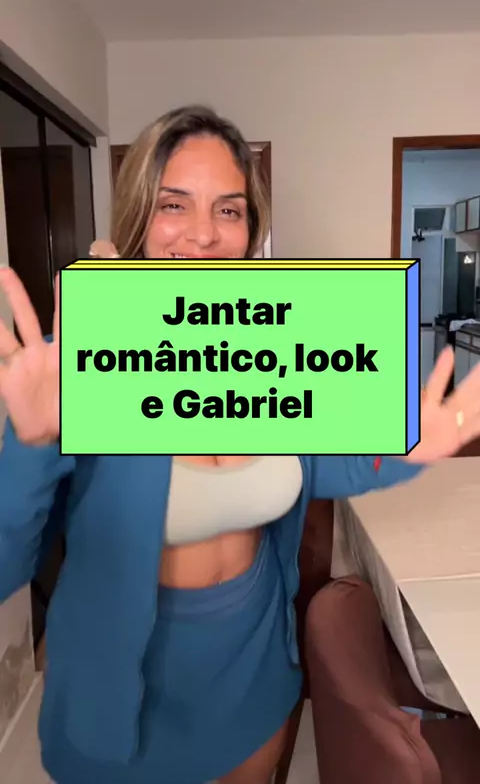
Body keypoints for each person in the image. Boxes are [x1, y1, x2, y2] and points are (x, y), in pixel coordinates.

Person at [0, 105, 479, 784]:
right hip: (124, 702)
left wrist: (413, 448)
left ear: (251, 229)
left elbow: (319, 466)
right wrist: (32, 446)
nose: (203, 234)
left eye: (229, 210)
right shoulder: (75, 361)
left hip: (255, 678)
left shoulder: (266, 349)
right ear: (138, 219)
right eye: (174, 204)